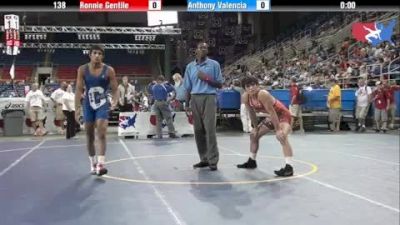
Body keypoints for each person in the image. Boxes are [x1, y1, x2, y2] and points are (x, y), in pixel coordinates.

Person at [236, 76, 294, 177]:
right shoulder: (245, 97)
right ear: (245, 89)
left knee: (282, 136)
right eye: (248, 86)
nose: (251, 88)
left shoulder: (262, 94)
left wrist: (278, 130)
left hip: (282, 115)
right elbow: (251, 112)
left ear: (258, 85)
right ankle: (252, 161)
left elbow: (272, 112)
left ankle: (289, 167)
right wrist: (255, 127)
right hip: (272, 117)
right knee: (254, 135)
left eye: (253, 85)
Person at [75, 45, 119, 176]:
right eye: (95, 53)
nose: (97, 55)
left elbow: (115, 89)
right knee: (89, 134)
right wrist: (77, 108)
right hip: (88, 103)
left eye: (100, 53)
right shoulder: (82, 69)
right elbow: (78, 89)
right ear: (90, 55)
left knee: (102, 130)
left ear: (102, 56)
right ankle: (93, 164)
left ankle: (101, 164)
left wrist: (115, 101)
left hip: (102, 103)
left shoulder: (109, 70)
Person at [183, 41, 224, 171]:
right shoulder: (190, 66)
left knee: (210, 130)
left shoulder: (214, 64)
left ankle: (213, 160)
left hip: (209, 97)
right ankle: (204, 159)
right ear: (196, 50)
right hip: (195, 98)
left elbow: (219, 84)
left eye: (206, 48)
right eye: (201, 47)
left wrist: (206, 78)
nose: (204, 49)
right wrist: (187, 103)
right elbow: (187, 87)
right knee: (198, 131)